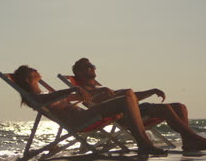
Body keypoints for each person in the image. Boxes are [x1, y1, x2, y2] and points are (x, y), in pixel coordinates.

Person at [71, 58, 206, 151]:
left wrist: (151, 91)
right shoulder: (83, 89)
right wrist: (104, 94)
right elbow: (95, 104)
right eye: (88, 66)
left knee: (180, 106)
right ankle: (196, 139)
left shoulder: (99, 87)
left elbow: (131, 97)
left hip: (135, 108)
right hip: (125, 115)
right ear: (79, 72)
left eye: (93, 65)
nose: (93, 67)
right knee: (164, 109)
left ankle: (188, 142)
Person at [11, 65, 166, 155]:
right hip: (80, 120)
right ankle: (143, 143)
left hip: (85, 115)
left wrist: (97, 92)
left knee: (128, 94)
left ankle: (143, 141)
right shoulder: (35, 97)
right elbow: (53, 97)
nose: (35, 69)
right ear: (26, 79)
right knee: (126, 98)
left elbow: (74, 97)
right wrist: (70, 90)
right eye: (31, 69)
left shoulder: (47, 95)